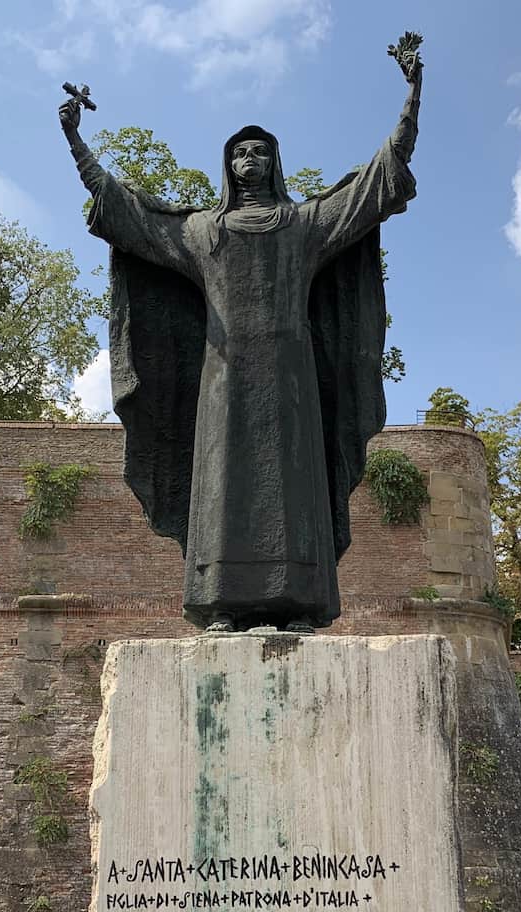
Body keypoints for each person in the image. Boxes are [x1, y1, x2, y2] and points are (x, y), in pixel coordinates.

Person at [60, 33, 423, 633]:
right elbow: (133, 218)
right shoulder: (203, 231)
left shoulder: (303, 224)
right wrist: (77, 143)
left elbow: (373, 187)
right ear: (228, 165)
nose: (248, 160)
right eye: (240, 153)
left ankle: (300, 602)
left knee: (294, 484)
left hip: (291, 379)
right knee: (222, 484)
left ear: (273, 163)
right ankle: (222, 603)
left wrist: (412, 96)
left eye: (259, 152)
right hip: (222, 379)